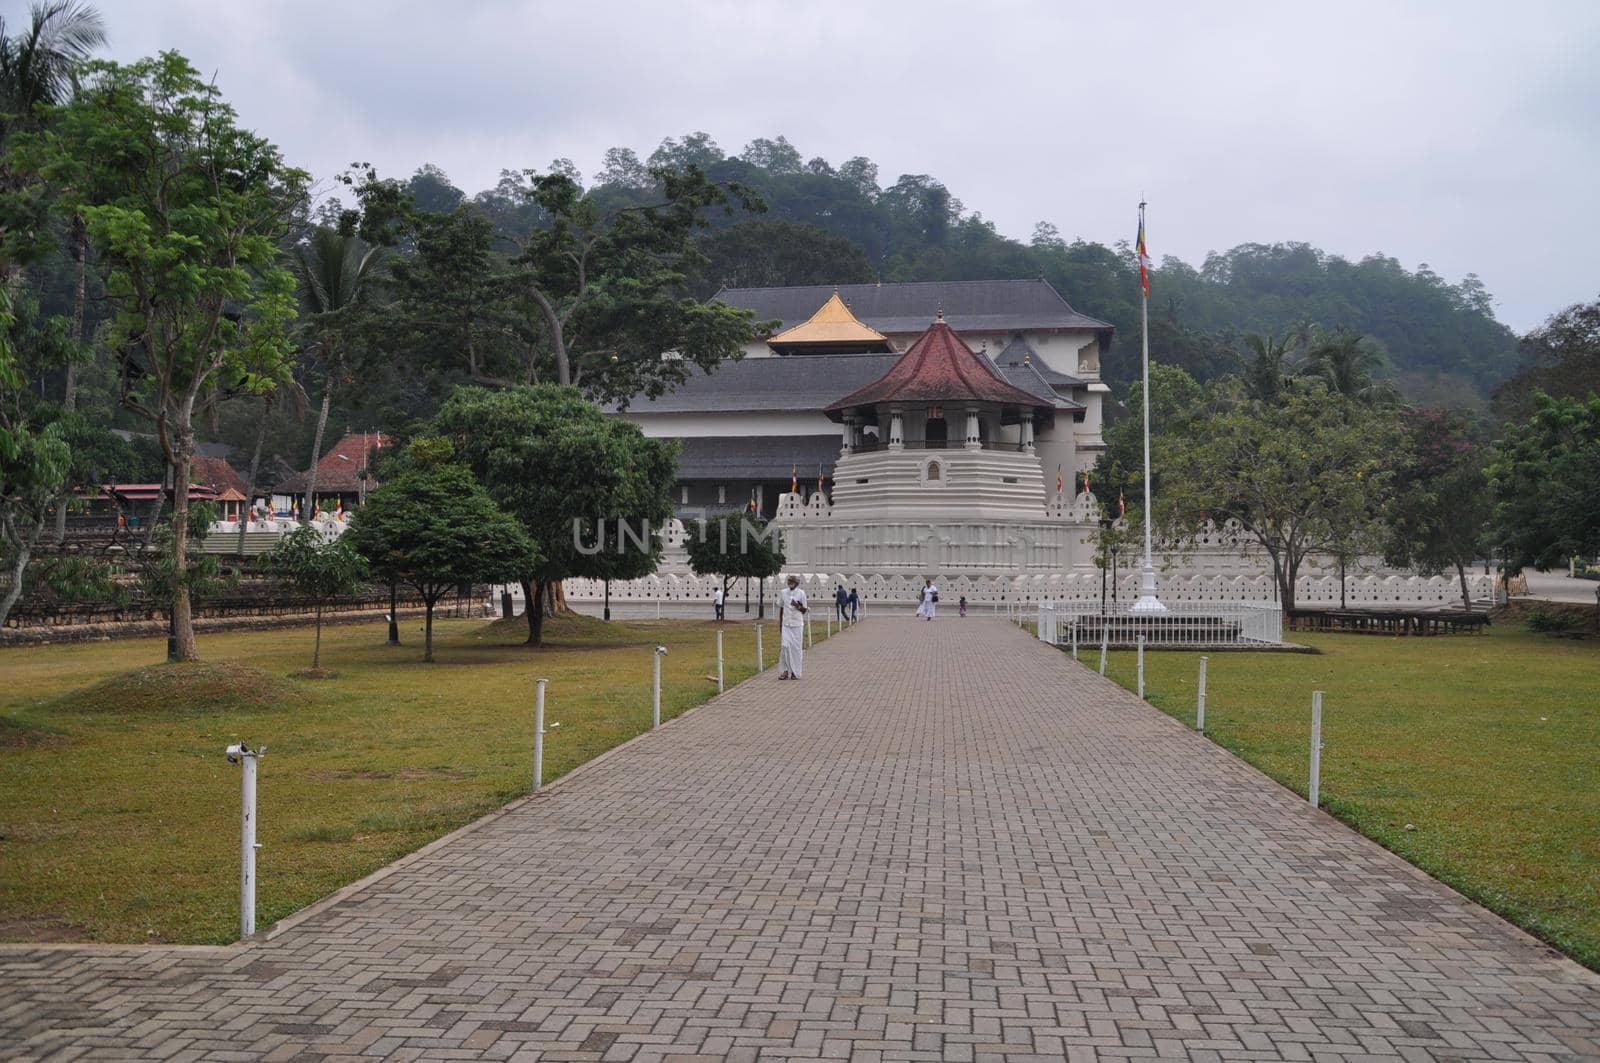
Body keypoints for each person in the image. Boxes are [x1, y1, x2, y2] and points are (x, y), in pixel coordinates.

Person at [778, 574, 808, 679]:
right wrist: (780, 624)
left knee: (796, 649)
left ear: (796, 583)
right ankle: (785, 671)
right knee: (785, 646)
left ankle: (795, 672)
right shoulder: (783, 593)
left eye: (792, 582)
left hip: (797, 625)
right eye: (789, 581)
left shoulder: (801, 593)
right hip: (786, 624)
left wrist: (797, 605)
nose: (790, 583)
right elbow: (781, 608)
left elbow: (804, 610)